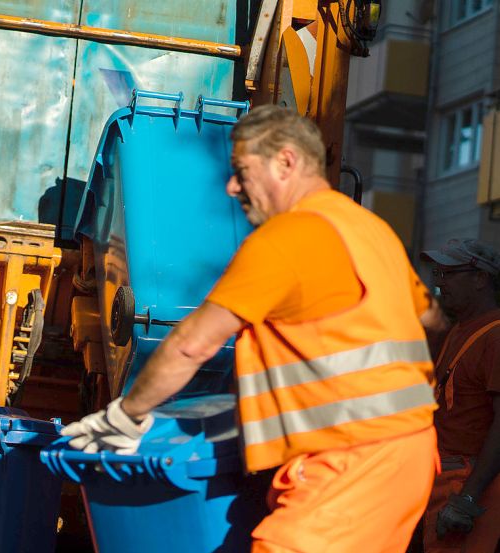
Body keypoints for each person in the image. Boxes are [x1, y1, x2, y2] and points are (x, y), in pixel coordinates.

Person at [62, 105, 443, 552]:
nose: (231, 186)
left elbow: (191, 345)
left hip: (350, 455)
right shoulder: (370, 229)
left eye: (242, 171)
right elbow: (431, 320)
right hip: (405, 452)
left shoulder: (289, 236)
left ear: (286, 161)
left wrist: (123, 418)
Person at [420, 238, 500, 553]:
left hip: (469, 485)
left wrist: (468, 497)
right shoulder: (458, 329)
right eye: (437, 274)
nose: (439, 283)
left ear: (480, 278)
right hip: (445, 480)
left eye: (449, 274)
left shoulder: (494, 335)